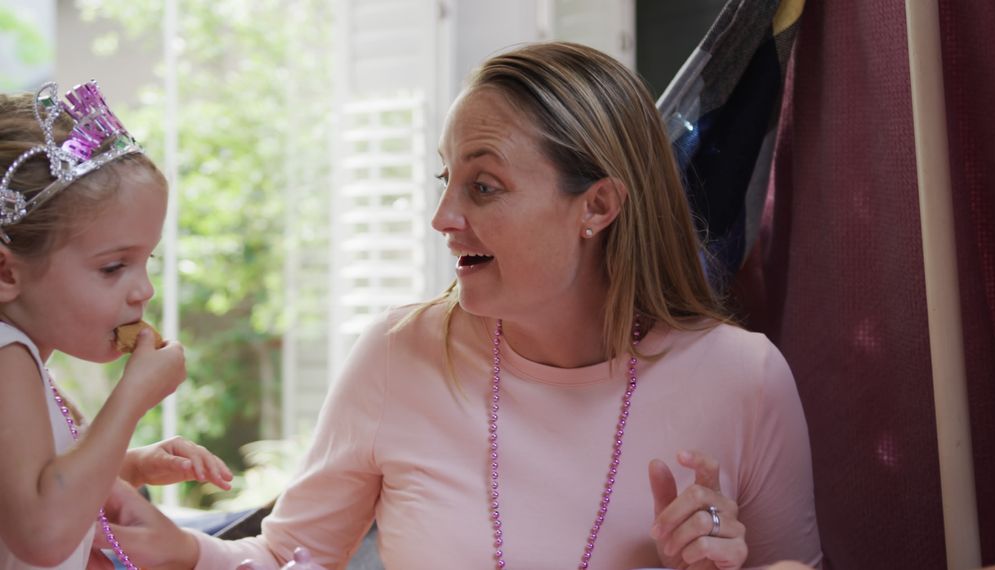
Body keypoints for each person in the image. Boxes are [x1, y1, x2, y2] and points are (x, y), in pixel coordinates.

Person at [100, 42, 822, 569]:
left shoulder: (745, 381)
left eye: (483, 186)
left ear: (597, 206)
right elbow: (293, 555)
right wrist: (185, 552)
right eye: (447, 180)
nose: (443, 216)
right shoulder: (398, 353)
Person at [0, 81, 234, 569]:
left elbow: (34, 484)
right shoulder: (7, 361)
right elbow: (42, 534)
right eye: (113, 267)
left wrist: (132, 465)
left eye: (147, 260)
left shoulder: (26, 359)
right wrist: (130, 401)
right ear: (6, 273)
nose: (143, 290)